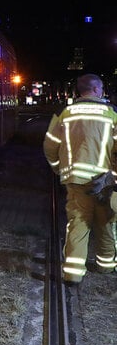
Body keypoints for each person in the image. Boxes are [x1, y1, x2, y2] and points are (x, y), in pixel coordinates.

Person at [44, 73, 117, 284]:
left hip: (76, 181)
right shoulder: (111, 114)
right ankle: (105, 266)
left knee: (78, 224)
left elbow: (50, 146)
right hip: (105, 182)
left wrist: (60, 169)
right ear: (96, 90)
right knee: (105, 222)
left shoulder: (65, 114)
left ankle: (73, 274)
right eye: (102, 89)